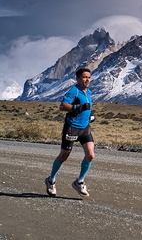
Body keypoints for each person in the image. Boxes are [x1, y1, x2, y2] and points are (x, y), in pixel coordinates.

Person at [45, 68, 95, 197]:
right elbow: (62, 106)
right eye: (84, 77)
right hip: (72, 127)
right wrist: (77, 108)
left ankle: (79, 182)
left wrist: (89, 116)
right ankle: (51, 180)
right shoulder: (74, 91)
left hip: (84, 128)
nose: (87, 79)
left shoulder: (88, 92)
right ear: (78, 79)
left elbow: (86, 108)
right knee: (64, 156)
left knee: (90, 155)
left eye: (89, 77)